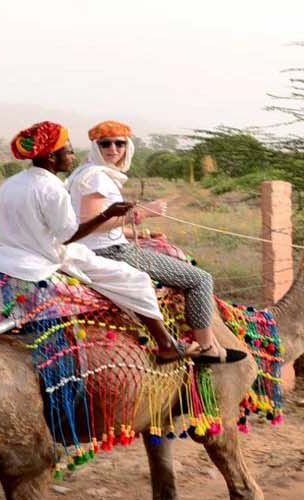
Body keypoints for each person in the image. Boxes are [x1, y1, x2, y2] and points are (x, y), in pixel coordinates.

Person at [0, 121, 197, 361]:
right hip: (41, 259)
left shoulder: (12, 183)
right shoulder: (52, 187)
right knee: (137, 280)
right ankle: (166, 344)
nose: (72, 156)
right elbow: (68, 235)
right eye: (68, 151)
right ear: (51, 156)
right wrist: (108, 214)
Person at [66, 120, 224, 355]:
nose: (113, 150)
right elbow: (91, 223)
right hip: (110, 253)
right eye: (105, 144)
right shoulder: (97, 177)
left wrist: (138, 233)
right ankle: (207, 348)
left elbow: (96, 225)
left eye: (119, 144)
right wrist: (143, 213)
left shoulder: (86, 173)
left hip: (96, 247)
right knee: (200, 279)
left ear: (127, 147)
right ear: (95, 147)